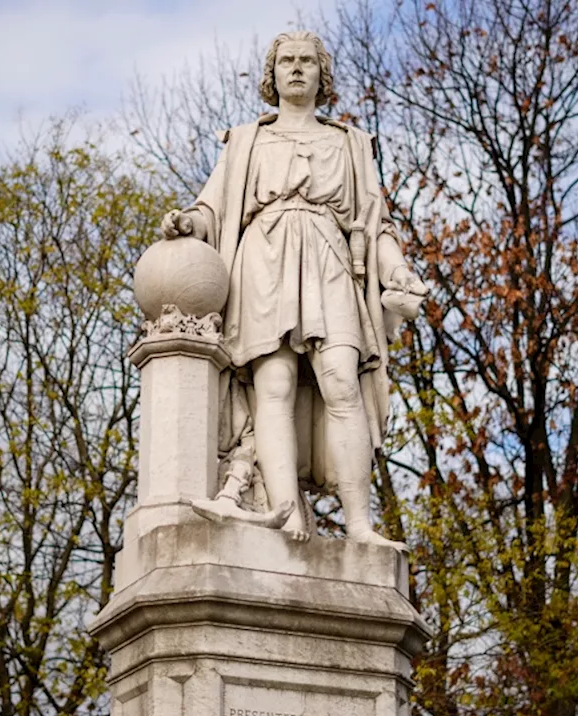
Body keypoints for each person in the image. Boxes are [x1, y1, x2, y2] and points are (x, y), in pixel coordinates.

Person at [162, 31, 427, 550]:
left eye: (307, 61)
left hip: (329, 259)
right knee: (275, 386)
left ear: (321, 73)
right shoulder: (247, 141)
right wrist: (188, 223)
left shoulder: (350, 143)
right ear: (273, 72)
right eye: (287, 61)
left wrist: (397, 272)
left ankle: (359, 525)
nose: (297, 69)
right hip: (265, 261)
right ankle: (285, 514)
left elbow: (377, 226)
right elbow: (212, 207)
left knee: (343, 384)